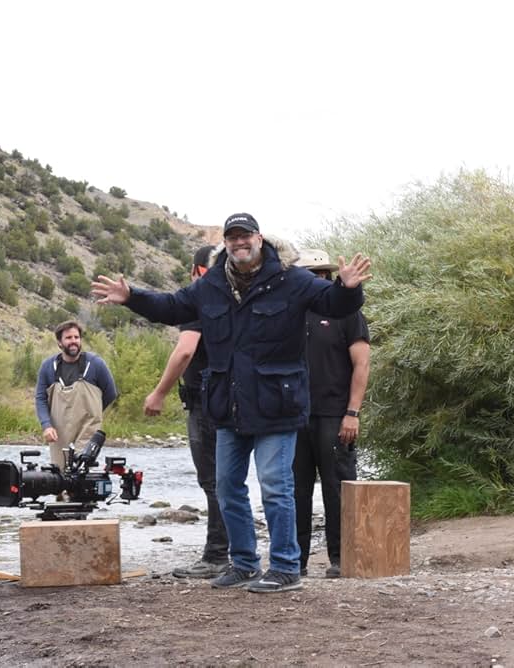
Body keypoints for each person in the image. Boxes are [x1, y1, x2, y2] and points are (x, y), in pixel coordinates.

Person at [91, 213, 372, 594]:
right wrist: (131, 298)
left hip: (277, 405)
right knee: (227, 488)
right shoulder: (212, 285)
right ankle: (243, 563)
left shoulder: (291, 278)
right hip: (228, 405)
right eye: (232, 238)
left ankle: (287, 567)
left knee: (275, 486)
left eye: (245, 237)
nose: (239, 244)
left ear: (258, 238)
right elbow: (173, 306)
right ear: (225, 243)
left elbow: (333, 302)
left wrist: (349, 288)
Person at [143, 244, 230, 579]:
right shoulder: (231, 296)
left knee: (214, 481)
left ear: (197, 270)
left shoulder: (201, 298)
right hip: (229, 400)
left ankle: (216, 556)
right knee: (228, 480)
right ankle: (232, 552)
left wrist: (159, 392)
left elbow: (185, 351)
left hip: (206, 402)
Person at [292, 249, 371, 579]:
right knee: (294, 490)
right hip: (293, 416)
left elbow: (362, 363)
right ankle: (294, 561)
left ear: (328, 275)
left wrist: (352, 412)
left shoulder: (347, 312)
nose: (316, 278)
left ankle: (341, 558)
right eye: (308, 273)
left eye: (320, 273)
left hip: (335, 414)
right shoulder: (291, 312)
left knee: (338, 487)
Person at [35, 320, 118, 467]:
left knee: (80, 472)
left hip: (88, 430)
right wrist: (46, 425)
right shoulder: (48, 366)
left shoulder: (96, 364)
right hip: (59, 433)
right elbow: (41, 398)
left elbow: (111, 393)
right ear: (59, 343)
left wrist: (93, 412)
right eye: (68, 338)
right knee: (59, 478)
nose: (73, 341)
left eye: (76, 337)